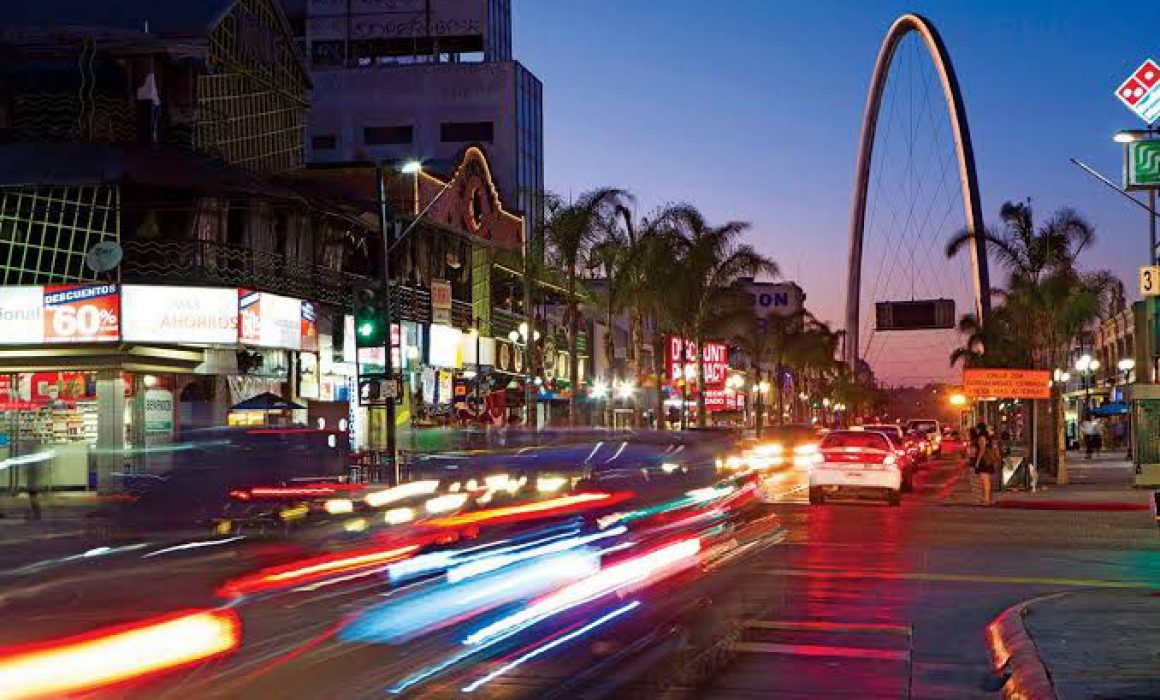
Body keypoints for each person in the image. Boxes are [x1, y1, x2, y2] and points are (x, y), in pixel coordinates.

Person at [973, 422, 998, 506]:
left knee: (985, 480)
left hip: (984, 461)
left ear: (980, 429)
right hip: (989, 460)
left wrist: (977, 461)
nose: (976, 430)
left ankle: (987, 499)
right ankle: (987, 498)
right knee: (987, 480)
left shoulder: (981, 437)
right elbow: (994, 447)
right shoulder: (989, 437)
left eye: (977, 428)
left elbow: (982, 449)